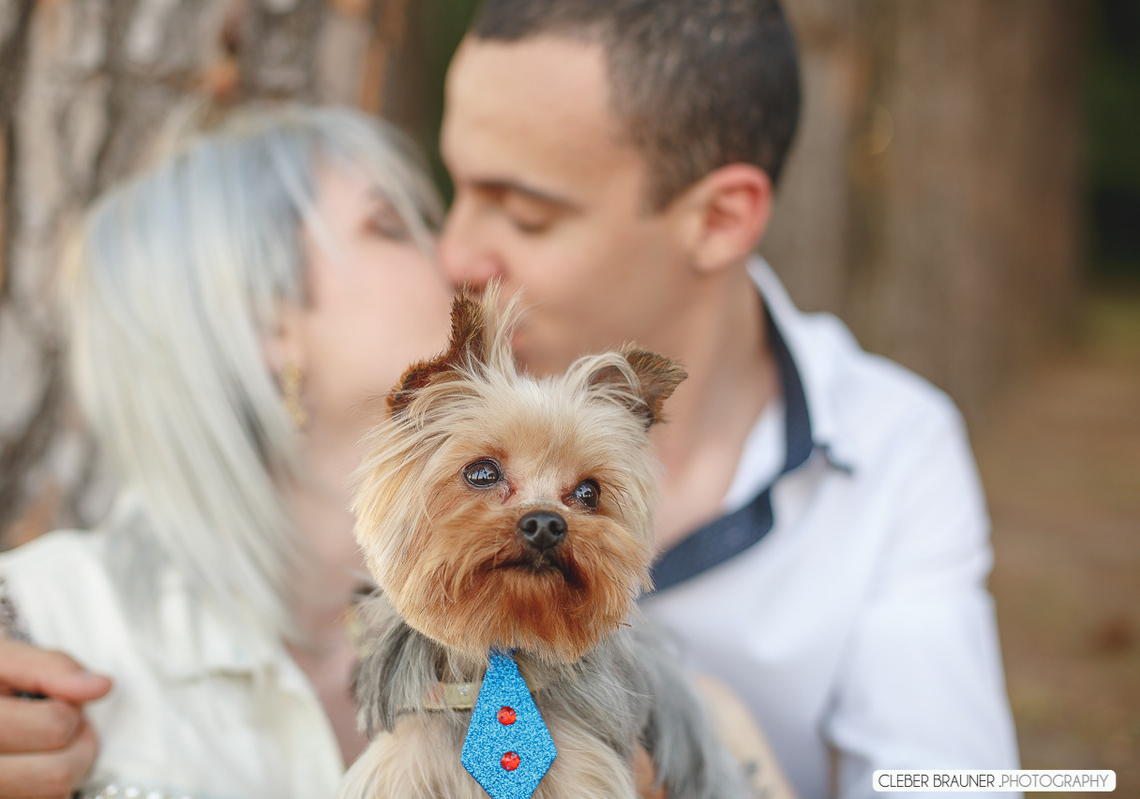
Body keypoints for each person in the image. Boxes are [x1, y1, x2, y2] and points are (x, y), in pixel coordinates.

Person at [434, 1, 1020, 797]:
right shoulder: (400, 415)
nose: (454, 252)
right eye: (455, 187)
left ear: (719, 217)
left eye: (527, 214)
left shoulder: (890, 450)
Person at [0, 104, 456, 797]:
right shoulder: (53, 624)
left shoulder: (534, 610)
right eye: (391, 225)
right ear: (266, 321)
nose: (456, 255)